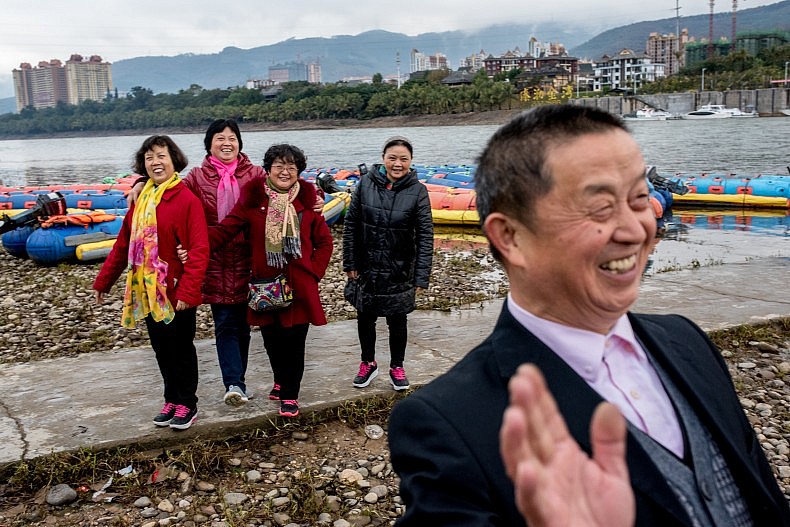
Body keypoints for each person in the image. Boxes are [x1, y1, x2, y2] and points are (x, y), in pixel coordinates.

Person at [387, 105, 790, 526]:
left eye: (638, 199)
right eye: (599, 208)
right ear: (510, 237)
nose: (637, 230)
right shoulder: (449, 425)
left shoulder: (687, 341)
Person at [128, 119, 325, 407]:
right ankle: (235, 383)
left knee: (266, 324)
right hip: (216, 260)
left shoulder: (257, 175)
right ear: (209, 144)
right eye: (219, 138)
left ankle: (282, 382)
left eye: (232, 137)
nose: (226, 143)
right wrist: (140, 182)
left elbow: (289, 185)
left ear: (240, 143)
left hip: (255, 264)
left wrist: (315, 199)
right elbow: (168, 186)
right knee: (225, 324)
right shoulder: (196, 177)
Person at [93, 135, 209, 431]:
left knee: (181, 347)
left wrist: (188, 290)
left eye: (161, 156)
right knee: (161, 347)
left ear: (174, 160)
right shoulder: (141, 199)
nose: (156, 162)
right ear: (143, 165)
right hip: (146, 291)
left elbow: (199, 250)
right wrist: (104, 281)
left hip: (175, 290)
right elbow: (123, 244)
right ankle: (171, 398)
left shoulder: (186, 200)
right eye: (149, 158)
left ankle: (188, 402)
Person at [209, 144, 333, 418]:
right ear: (268, 169)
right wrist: (194, 244)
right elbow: (225, 230)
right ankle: (280, 379)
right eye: (278, 165)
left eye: (291, 167)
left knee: (295, 342)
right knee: (272, 340)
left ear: (299, 171)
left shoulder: (307, 203)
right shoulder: (253, 202)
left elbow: (324, 242)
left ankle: (290, 395)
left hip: (300, 286)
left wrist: (314, 272)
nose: (285, 171)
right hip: (266, 286)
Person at [342, 136, 433, 391]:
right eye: (392, 158)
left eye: (403, 159)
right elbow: (351, 225)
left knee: (398, 319)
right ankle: (367, 363)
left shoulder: (418, 191)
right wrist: (350, 261)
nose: (397, 164)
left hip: (400, 268)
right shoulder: (365, 184)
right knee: (365, 316)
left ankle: (397, 366)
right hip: (366, 265)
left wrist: (421, 275)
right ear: (383, 158)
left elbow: (425, 236)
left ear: (410, 162)